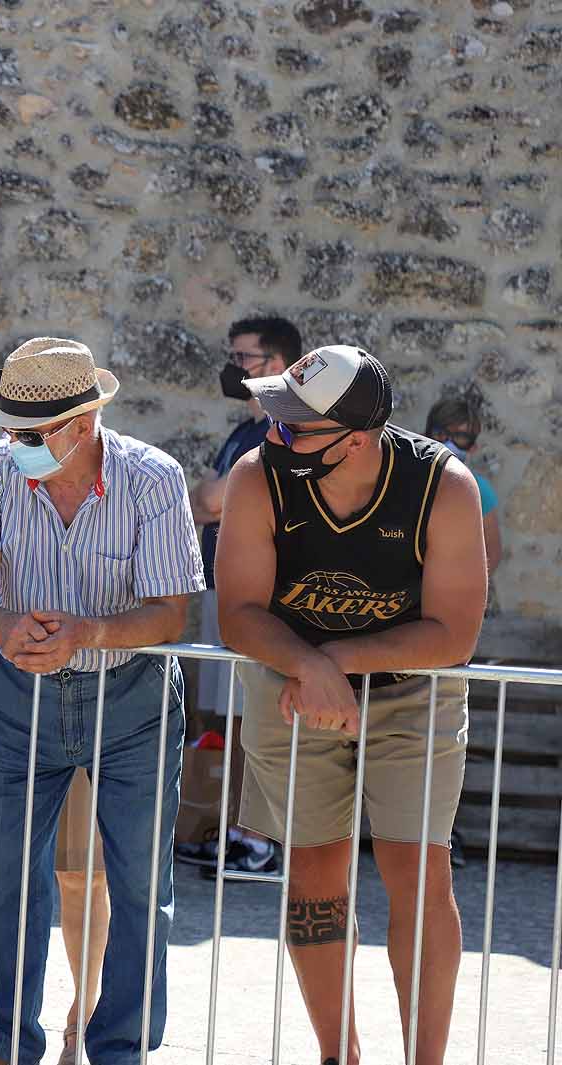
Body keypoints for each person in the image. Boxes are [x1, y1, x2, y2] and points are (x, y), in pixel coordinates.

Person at [215, 345, 486, 1065]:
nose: (276, 433)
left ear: (357, 440)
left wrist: (335, 661)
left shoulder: (444, 486)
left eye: (296, 425)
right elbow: (238, 613)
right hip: (291, 687)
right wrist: (308, 665)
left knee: (421, 876)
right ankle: (340, 1055)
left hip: (413, 688)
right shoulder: (257, 477)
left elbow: (454, 633)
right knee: (312, 878)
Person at [0, 337, 203, 1065]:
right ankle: (5, 1041)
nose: (11, 442)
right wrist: (1, 624)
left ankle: (119, 1049)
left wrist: (86, 633)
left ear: (81, 425)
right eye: (9, 428)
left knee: (142, 886)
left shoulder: (154, 478)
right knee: (5, 881)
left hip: (134, 700)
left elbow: (170, 614)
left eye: (28, 432)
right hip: (22, 695)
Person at [183, 315, 301, 877]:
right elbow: (206, 498)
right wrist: (210, 497)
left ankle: (262, 841)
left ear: (275, 366)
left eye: (242, 359)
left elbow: (209, 500)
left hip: (258, 599)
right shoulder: (243, 433)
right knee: (229, 720)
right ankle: (236, 830)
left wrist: (211, 497)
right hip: (220, 590)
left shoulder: (286, 431)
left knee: (258, 718)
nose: (232, 369)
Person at [424, 396, 500, 577]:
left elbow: (492, 553)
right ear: (426, 435)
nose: (449, 444)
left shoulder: (478, 490)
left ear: (473, 446)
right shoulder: (407, 481)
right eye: (441, 434)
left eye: (460, 437)